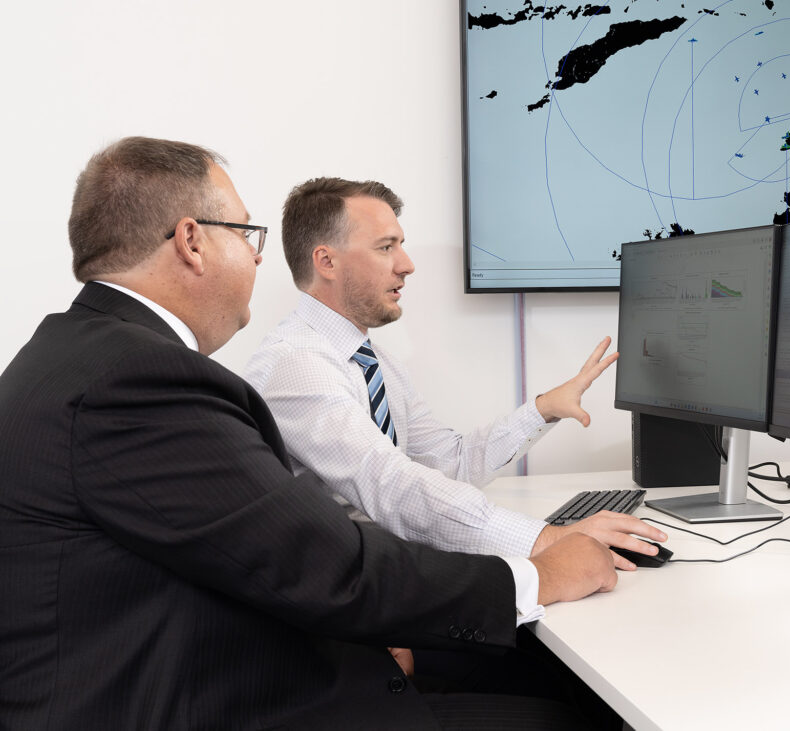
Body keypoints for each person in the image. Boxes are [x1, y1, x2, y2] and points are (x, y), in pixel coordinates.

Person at [0, 136, 619, 730]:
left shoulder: (79, 355)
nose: (259, 255)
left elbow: (268, 555)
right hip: (209, 695)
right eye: (246, 234)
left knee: (537, 672)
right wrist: (539, 568)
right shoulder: (143, 380)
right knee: (566, 711)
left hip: (212, 660)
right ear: (191, 241)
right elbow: (337, 553)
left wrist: (539, 418)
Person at [245, 177, 667, 567]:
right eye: (386, 247)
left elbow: (450, 463)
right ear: (327, 262)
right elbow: (390, 486)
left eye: (401, 245)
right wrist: (546, 539)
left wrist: (542, 410)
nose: (406, 265)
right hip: (343, 603)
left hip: (386, 573)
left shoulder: (375, 362)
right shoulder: (297, 365)